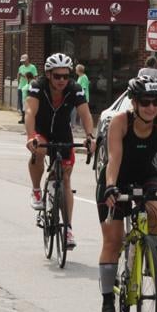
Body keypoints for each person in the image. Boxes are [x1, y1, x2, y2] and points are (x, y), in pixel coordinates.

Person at [96, 75, 157, 312]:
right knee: (113, 241)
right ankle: (107, 301)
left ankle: (150, 249)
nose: (152, 107)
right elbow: (113, 159)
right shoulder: (120, 122)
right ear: (134, 102)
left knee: (156, 214)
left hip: (146, 174)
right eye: (146, 102)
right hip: (116, 178)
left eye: (156, 102)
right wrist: (111, 186)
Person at [25, 53, 96, 248]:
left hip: (63, 134)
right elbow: (30, 112)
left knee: (65, 179)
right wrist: (30, 136)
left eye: (66, 76)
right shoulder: (38, 86)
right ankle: (37, 190)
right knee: (38, 151)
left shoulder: (74, 88)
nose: (62, 80)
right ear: (48, 74)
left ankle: (68, 229)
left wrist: (90, 137)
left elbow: (85, 114)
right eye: (57, 76)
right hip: (41, 132)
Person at [17, 54, 38, 124]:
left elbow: (35, 77)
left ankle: (28, 117)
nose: (23, 62)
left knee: (27, 103)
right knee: (21, 103)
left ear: (28, 60)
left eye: (24, 61)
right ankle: (23, 118)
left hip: (28, 87)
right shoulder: (21, 67)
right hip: (21, 87)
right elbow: (18, 76)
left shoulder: (32, 67)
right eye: (22, 61)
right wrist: (18, 81)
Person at [71, 64, 90, 130]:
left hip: (82, 98)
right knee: (74, 111)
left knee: (82, 113)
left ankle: (82, 127)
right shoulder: (80, 77)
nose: (75, 70)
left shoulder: (84, 77)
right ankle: (73, 126)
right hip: (77, 97)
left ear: (79, 70)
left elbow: (83, 88)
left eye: (76, 69)